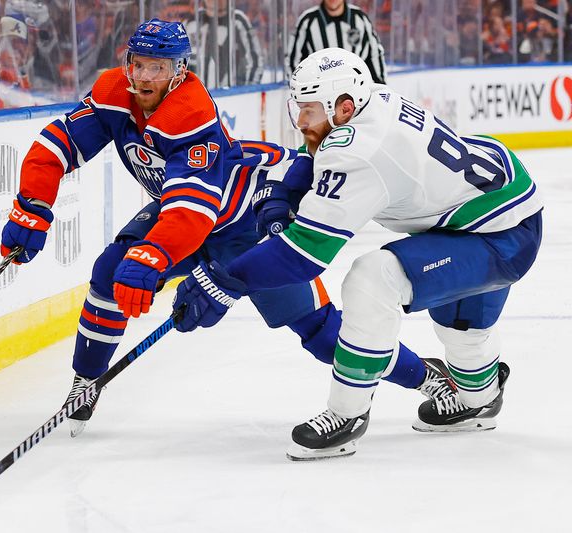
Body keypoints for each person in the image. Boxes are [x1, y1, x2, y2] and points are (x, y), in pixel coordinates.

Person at [0, 19, 466, 439]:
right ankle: (86, 382)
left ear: (179, 71)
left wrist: (153, 257)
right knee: (108, 272)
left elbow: (192, 214)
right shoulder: (113, 92)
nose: (143, 77)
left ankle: (427, 377)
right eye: (137, 64)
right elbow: (59, 141)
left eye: (157, 68)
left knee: (322, 334)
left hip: (247, 226)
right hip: (187, 214)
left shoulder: (190, 115)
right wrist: (31, 205)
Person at [173, 47, 543, 460]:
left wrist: (222, 281)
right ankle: (481, 400)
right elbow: (321, 153)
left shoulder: (359, 151)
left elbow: (302, 255)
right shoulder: (372, 98)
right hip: (494, 206)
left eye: (309, 110)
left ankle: (347, 414)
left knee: (373, 279)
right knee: (462, 332)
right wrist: (286, 192)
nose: (300, 121)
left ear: (344, 107)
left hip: (499, 234)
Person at [287, 0, 386, 84]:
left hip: (358, 93)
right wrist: (302, 93)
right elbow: (293, 60)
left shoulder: (360, 18)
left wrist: (381, 88)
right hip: (321, 98)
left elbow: (375, 54)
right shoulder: (307, 21)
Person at [185, 0, 263, 88]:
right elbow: (182, 63)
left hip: (231, 96)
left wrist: (245, 93)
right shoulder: (193, 21)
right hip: (198, 95)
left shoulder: (238, 20)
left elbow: (255, 62)